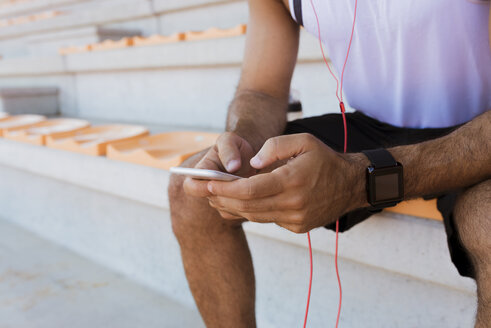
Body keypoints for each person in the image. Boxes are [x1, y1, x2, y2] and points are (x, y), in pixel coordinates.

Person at [168, 0, 491, 326]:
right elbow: (261, 91)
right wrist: (242, 144)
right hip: (375, 125)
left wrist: (359, 181)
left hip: (481, 125)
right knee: (196, 191)